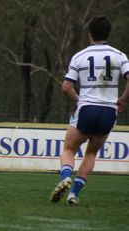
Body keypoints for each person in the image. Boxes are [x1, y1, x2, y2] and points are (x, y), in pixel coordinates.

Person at [50, 16, 129, 205]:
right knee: (91, 154)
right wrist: (123, 100)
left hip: (87, 109)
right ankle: (74, 194)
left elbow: (66, 86)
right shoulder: (120, 56)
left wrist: (79, 101)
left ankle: (66, 178)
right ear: (108, 34)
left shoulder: (80, 56)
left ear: (90, 34)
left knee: (69, 148)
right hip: (109, 112)